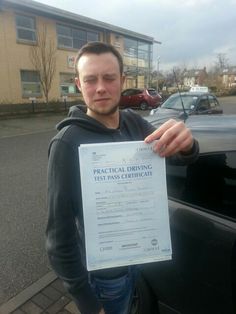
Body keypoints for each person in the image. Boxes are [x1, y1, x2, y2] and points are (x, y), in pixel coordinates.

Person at [46, 42, 199, 314]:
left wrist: (187, 143)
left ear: (123, 80)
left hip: (138, 260)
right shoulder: (67, 144)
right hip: (105, 278)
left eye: (109, 77)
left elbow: (178, 155)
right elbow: (59, 239)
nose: (101, 87)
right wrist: (88, 304)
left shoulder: (133, 122)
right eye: (90, 80)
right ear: (79, 85)